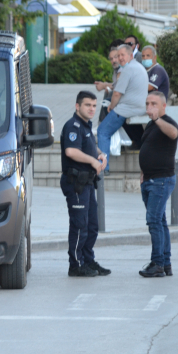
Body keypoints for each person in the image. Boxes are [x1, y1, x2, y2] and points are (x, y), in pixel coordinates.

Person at [60, 91, 111, 277]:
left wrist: (100, 154)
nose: (91, 109)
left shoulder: (86, 126)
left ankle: (88, 260)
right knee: (80, 225)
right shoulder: (73, 126)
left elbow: (89, 145)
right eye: (87, 105)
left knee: (91, 225)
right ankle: (76, 264)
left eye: (94, 105)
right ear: (77, 106)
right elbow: (71, 151)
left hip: (87, 183)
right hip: (76, 183)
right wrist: (92, 161)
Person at [138, 92, 178, 278]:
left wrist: (158, 119)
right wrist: (143, 172)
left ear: (163, 106)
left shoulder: (167, 122)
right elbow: (149, 149)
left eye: (154, 103)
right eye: (147, 103)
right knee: (160, 222)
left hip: (161, 180)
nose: (149, 107)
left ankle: (158, 264)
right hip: (149, 179)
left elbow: (173, 133)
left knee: (154, 220)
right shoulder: (150, 124)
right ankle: (166, 263)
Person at [96, 44, 147, 175]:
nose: (120, 58)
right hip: (139, 108)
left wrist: (111, 107)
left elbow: (117, 93)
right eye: (118, 56)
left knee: (102, 131)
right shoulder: (139, 67)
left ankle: (103, 168)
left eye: (122, 55)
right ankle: (139, 142)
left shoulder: (127, 70)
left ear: (131, 55)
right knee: (121, 120)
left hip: (128, 108)